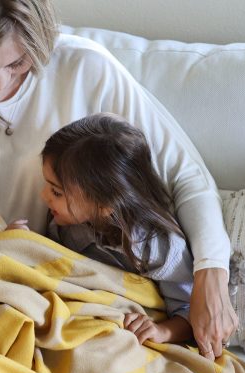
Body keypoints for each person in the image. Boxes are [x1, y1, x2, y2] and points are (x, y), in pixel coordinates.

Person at [0, 0, 236, 359]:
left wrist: (211, 272)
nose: (1, 80)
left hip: (75, 290)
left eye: (17, 63)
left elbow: (184, 176)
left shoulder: (87, 68)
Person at [42, 113, 194, 344]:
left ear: (104, 205)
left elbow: (190, 308)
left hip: (129, 326)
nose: (43, 196)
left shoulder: (155, 247)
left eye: (56, 192)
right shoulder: (67, 222)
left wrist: (162, 331)